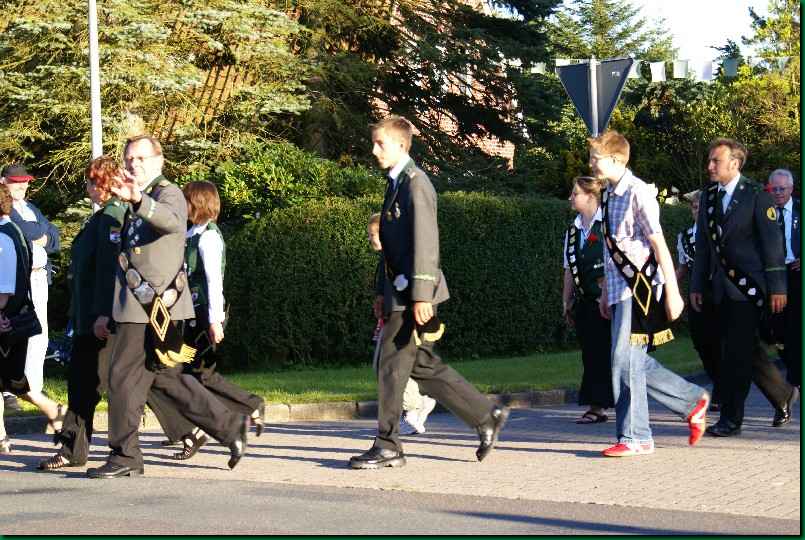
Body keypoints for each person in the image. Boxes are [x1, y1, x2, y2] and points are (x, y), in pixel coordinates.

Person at [349, 115, 508, 470]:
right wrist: (381, 291)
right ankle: (485, 415)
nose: (374, 150)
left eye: (380, 143)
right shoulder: (397, 183)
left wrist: (422, 295)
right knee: (421, 365)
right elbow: (393, 248)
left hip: (411, 295)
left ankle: (388, 445)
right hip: (399, 293)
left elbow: (425, 243)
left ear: (401, 144)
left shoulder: (416, 184)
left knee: (391, 367)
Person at [86, 135, 248, 478]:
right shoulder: (135, 198)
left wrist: (137, 199)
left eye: (141, 158)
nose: (134, 164)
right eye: (129, 159)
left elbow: (172, 221)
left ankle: (126, 456)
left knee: (122, 379)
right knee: (167, 381)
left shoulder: (167, 193)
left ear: (159, 161)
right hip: (139, 308)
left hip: (154, 309)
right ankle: (230, 426)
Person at [590, 130, 709, 458]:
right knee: (630, 361)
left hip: (639, 290)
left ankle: (636, 437)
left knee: (623, 361)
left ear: (616, 159)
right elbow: (610, 248)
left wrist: (673, 291)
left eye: (595, 158)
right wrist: (605, 292)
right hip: (618, 290)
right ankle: (691, 401)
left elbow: (659, 245)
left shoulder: (638, 192)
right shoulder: (607, 195)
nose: (591, 164)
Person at [146, 180, 265, 461]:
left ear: (197, 204)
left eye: (186, 201)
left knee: (192, 374)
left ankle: (236, 413)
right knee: (191, 374)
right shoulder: (191, 233)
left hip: (203, 318)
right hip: (191, 315)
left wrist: (215, 321)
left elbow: (214, 281)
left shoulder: (209, 237)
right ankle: (243, 409)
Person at [691, 139, 798, 437]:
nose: (709, 166)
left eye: (716, 161)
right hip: (717, 288)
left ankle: (731, 419)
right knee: (744, 349)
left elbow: (773, 245)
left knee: (735, 354)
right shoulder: (708, 196)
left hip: (748, 289)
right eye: (710, 160)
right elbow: (703, 246)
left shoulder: (757, 195)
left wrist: (778, 288)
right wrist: (697, 284)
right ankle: (783, 394)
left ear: (734, 163)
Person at [37, 156, 126, 470]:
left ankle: (74, 450)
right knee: (85, 384)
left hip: (99, 318)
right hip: (89, 316)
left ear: (104, 184)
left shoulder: (112, 216)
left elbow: (109, 271)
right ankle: (74, 449)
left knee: (86, 384)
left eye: (91, 181)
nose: (87, 187)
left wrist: (102, 314)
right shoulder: (101, 217)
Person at [0, 164, 63, 425]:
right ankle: (14, 392)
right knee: (16, 337)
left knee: (38, 336)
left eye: (25, 181)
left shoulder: (30, 208)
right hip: (17, 281)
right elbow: (29, 233)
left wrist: (42, 235)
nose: (22, 186)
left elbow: (54, 237)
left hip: (37, 279)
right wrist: (41, 235)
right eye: (16, 182)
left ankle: (35, 389)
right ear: (4, 182)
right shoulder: (8, 211)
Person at [368, 213, 437, 435]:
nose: (370, 239)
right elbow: (384, 285)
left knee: (392, 364)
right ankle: (414, 406)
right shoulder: (386, 257)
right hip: (390, 316)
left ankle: (414, 408)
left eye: (373, 235)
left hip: (401, 316)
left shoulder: (398, 255)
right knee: (385, 365)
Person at [561, 176, 614, 424]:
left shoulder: (608, 224)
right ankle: (597, 405)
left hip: (610, 300)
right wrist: (566, 301)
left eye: (575, 194)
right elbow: (568, 269)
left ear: (591, 196)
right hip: (585, 302)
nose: (570, 198)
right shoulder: (572, 231)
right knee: (591, 354)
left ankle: (604, 404)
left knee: (611, 354)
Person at [675, 190, 721, 411]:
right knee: (701, 342)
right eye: (694, 207)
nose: (697, 211)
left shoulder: (718, 232)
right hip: (697, 294)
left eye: (701, 207)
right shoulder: (684, 237)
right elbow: (682, 268)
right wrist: (667, 287)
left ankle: (722, 391)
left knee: (720, 341)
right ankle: (718, 380)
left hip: (719, 291)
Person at [766, 169, 800, 389]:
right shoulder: (763, 212)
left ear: (791, 189)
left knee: (796, 327)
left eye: (782, 189)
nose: (778, 193)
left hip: (796, 273)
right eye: (774, 189)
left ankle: (795, 379)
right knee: (776, 330)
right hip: (772, 276)